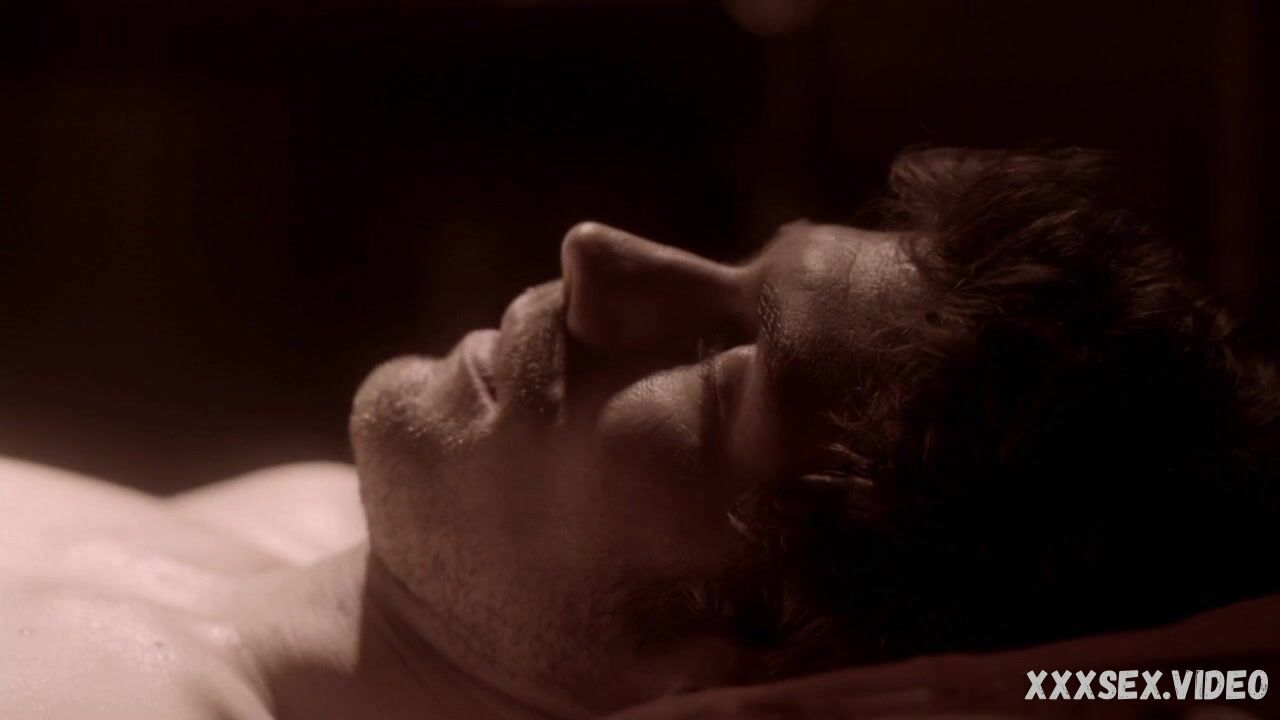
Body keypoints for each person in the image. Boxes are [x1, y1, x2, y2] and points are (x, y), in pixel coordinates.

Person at [2, 148, 1277, 719]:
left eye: (719, 372)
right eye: (732, 261)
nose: (597, 253)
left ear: (766, 649)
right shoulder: (322, 525)